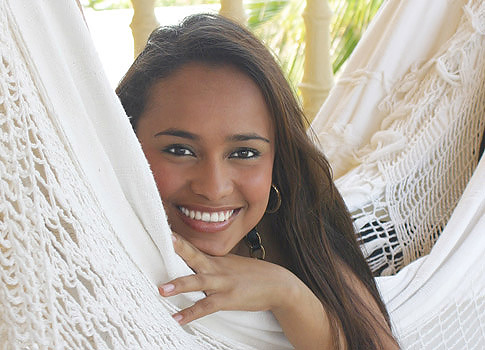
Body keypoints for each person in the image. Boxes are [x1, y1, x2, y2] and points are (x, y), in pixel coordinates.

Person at [116, 13, 399, 350]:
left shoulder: (294, 231)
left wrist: (287, 293)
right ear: (127, 141)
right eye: (180, 150)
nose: (214, 187)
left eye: (244, 153)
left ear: (276, 160)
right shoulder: (99, 235)